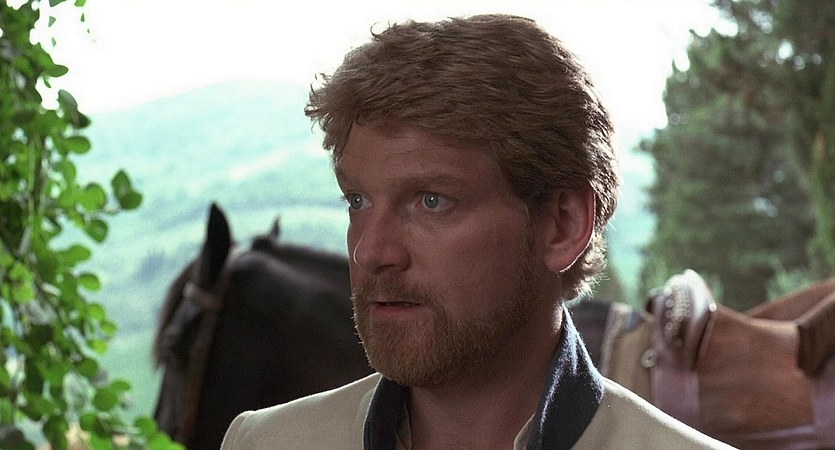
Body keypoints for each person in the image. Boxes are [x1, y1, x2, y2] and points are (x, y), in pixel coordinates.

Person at [221, 14, 734, 449]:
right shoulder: (264, 442)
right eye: (358, 201)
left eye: (431, 201)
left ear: (563, 226)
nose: (370, 251)